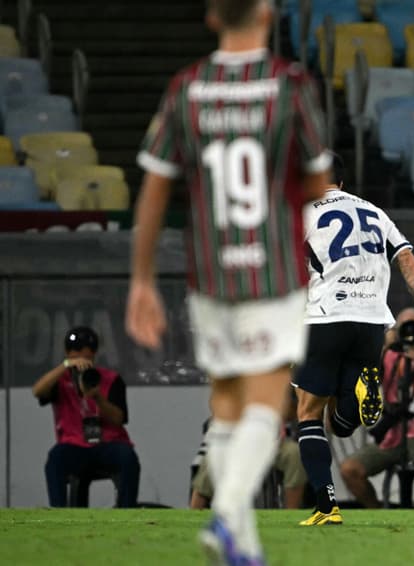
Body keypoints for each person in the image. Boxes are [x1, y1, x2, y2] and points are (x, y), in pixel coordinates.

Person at [125, 0, 331, 563]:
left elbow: (154, 190)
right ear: (267, 13)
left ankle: (241, 540)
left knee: (225, 404)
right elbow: (318, 184)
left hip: (211, 272)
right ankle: (227, 515)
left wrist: (141, 279)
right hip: (273, 269)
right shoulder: (289, 84)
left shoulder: (186, 88)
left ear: (212, 17)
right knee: (268, 400)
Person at [293, 183, 414, 525]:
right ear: (342, 183)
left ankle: (326, 506)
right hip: (373, 322)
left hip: (325, 316)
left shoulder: (303, 211)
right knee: (341, 425)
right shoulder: (375, 212)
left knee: (308, 413)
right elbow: (407, 260)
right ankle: (360, 393)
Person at [32, 326, 140, 508]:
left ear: (94, 355)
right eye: (75, 357)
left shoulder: (110, 379)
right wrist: (66, 366)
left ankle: (126, 511)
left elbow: (119, 419)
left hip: (108, 444)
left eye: (85, 357)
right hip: (74, 445)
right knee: (56, 458)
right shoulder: (60, 381)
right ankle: (59, 513)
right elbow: (37, 391)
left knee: (127, 457)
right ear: (67, 354)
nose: (80, 362)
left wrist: (97, 397)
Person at [339, 308, 414, 508]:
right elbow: (368, 368)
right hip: (392, 437)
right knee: (350, 470)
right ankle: (379, 514)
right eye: (405, 327)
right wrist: (388, 340)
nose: (411, 331)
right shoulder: (390, 356)